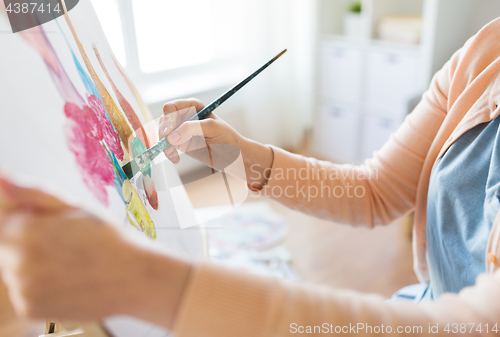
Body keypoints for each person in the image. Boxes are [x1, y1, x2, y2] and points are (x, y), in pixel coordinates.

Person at [2, 17, 500, 337]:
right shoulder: (484, 54)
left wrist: (142, 282)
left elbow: (475, 327)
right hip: (421, 306)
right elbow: (373, 192)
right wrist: (244, 156)